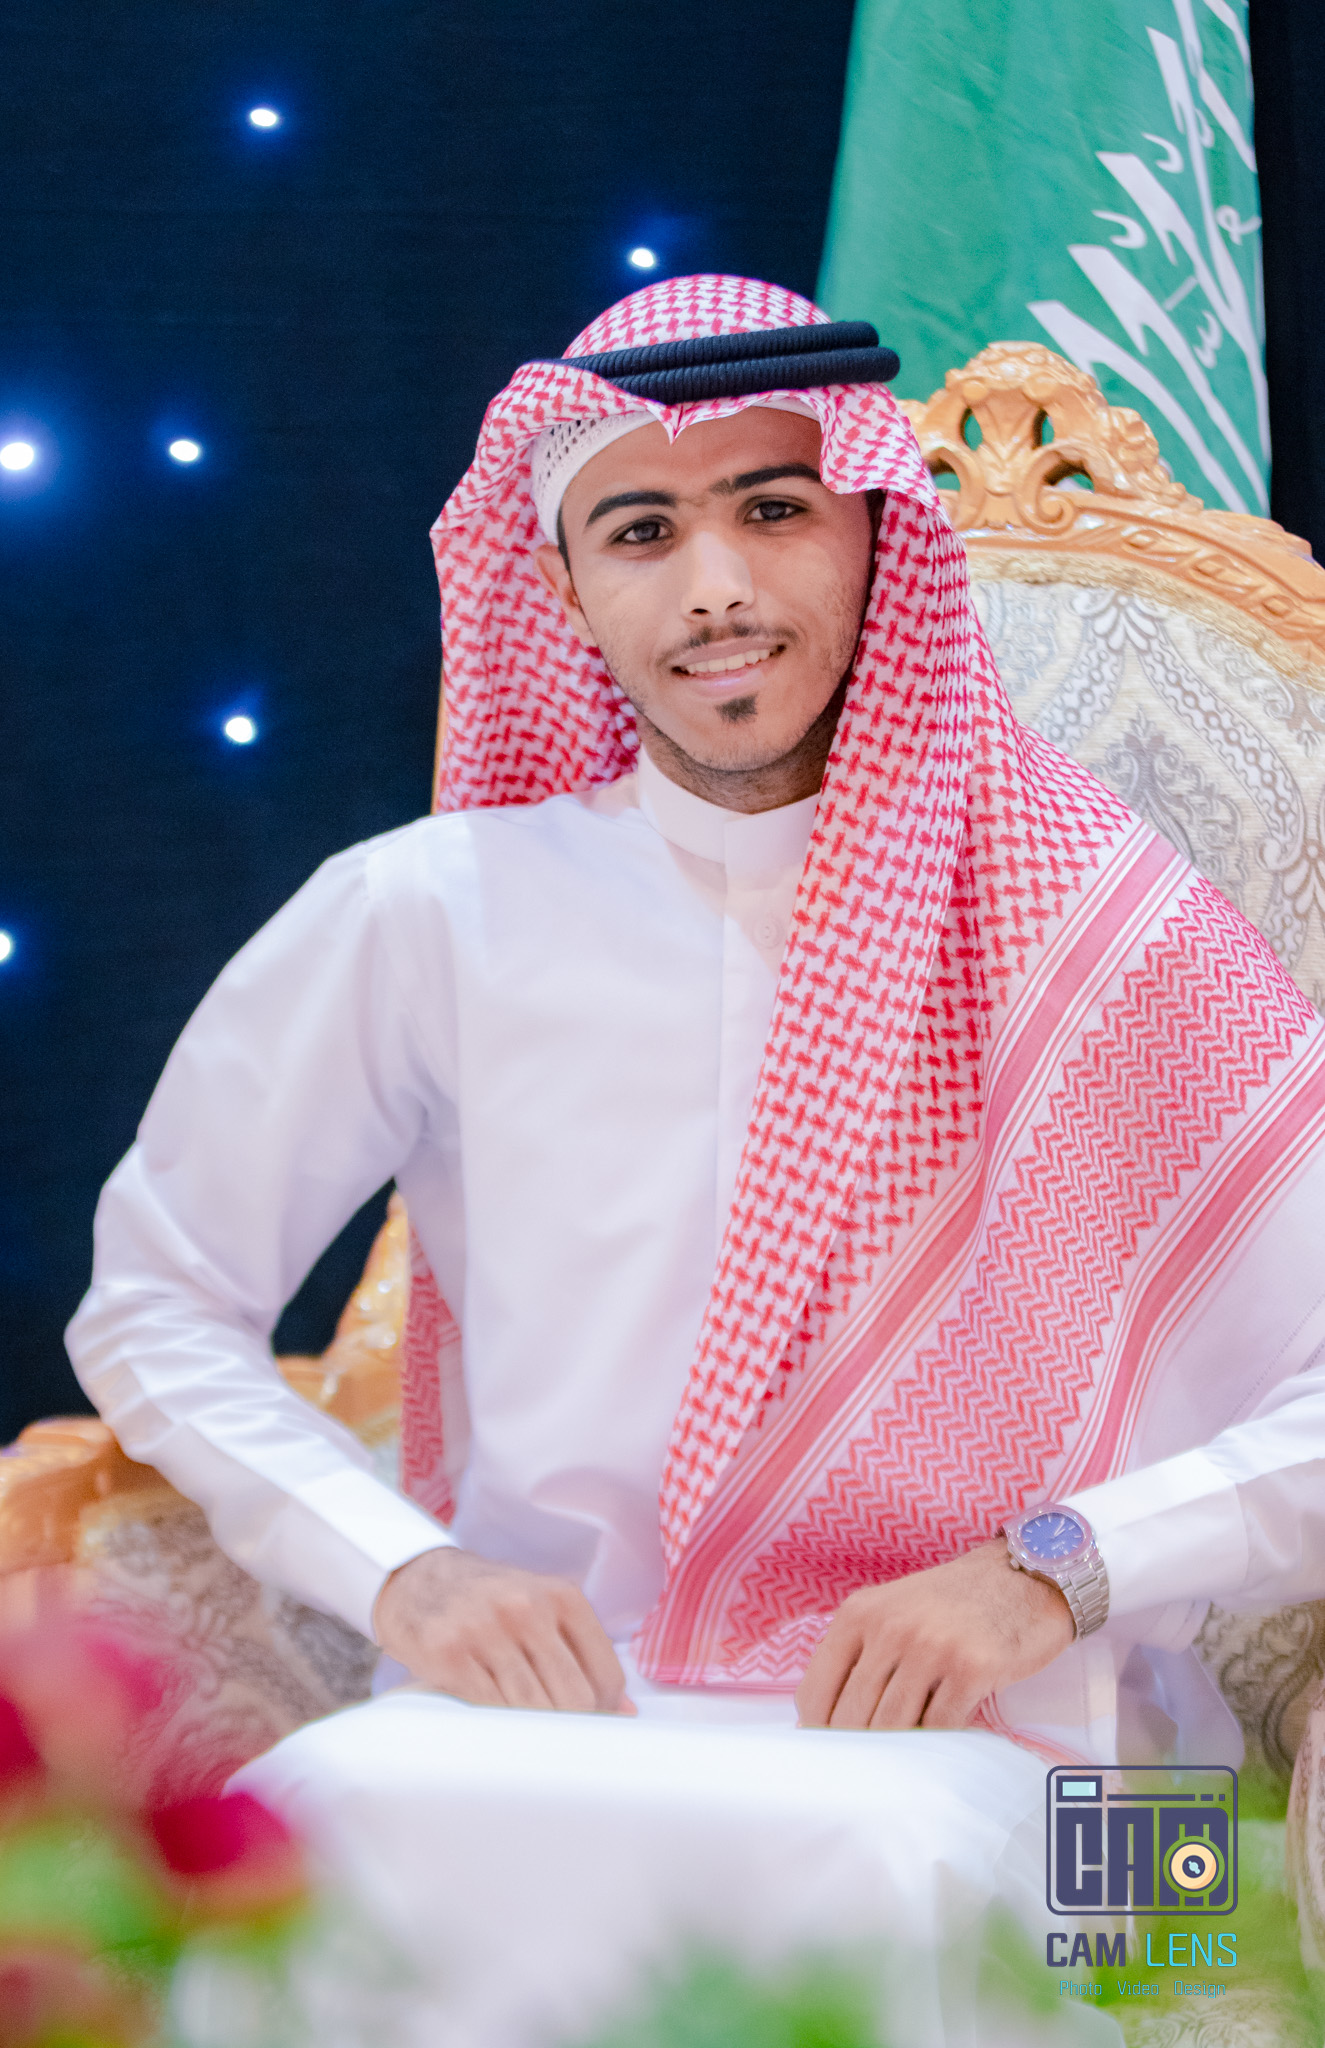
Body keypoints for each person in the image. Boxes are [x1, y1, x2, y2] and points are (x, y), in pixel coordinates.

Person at [67, 275, 1325, 2041]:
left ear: (876, 533)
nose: (716, 586)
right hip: (543, 1717)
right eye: (642, 530)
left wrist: (1051, 1567)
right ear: (562, 589)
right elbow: (155, 1301)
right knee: (311, 1829)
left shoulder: (1113, 935)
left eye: (773, 508)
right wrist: (398, 1568)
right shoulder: (426, 916)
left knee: (885, 1875)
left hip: (1068, 1747)